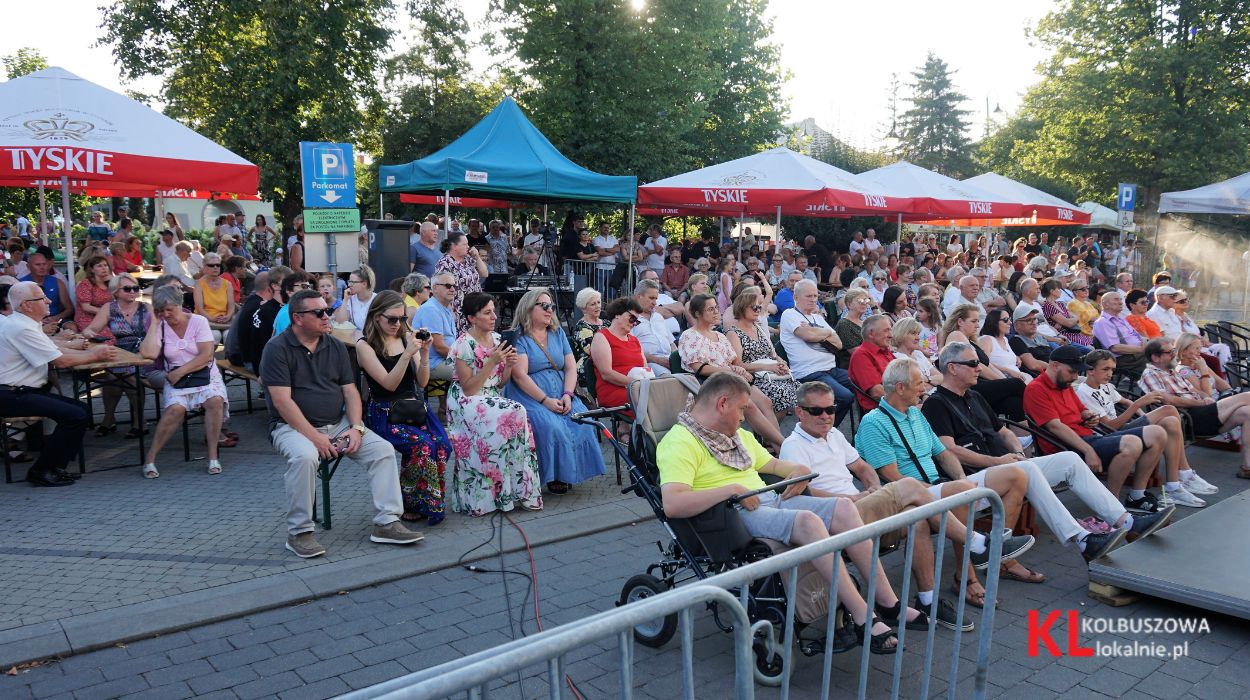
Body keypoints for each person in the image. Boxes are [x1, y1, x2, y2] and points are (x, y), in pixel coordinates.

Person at [658, 372, 923, 654]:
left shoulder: (735, 436)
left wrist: (798, 472)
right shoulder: (680, 442)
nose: (745, 417)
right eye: (743, 409)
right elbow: (673, 504)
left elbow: (774, 464)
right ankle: (861, 615)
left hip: (765, 501)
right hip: (731, 515)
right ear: (723, 403)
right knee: (808, 521)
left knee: (844, 507)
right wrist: (730, 490)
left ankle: (888, 602)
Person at [925, 344, 1169, 563]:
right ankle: (1082, 539)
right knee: (1029, 468)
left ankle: (1126, 521)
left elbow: (1005, 432)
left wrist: (1018, 452)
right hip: (977, 478)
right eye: (973, 363)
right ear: (952, 368)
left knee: (1070, 460)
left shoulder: (974, 396)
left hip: (1008, 466)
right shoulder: (937, 404)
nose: (980, 368)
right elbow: (950, 450)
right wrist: (999, 461)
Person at [779, 381, 974, 630]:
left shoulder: (835, 435)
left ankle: (927, 599)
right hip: (838, 519)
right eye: (817, 411)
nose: (826, 416)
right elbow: (804, 491)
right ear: (799, 412)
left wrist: (871, 487)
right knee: (911, 486)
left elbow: (862, 466)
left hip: (860, 508)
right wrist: (853, 499)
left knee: (916, 517)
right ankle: (975, 541)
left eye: (831, 409)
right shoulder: (793, 446)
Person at [853, 358, 1048, 606]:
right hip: (908, 498)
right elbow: (895, 479)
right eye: (918, 384)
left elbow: (944, 454)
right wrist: (955, 489)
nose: (924, 388)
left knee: (1016, 474)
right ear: (900, 388)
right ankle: (968, 578)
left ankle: (997, 556)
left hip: (942, 485)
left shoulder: (915, 413)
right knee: (960, 494)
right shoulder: (873, 423)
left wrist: (960, 479)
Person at [260, 289, 424, 557]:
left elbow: (351, 391)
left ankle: (387, 522)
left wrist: (357, 427)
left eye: (327, 310)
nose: (328, 316)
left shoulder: (334, 345)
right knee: (304, 457)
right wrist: (314, 437)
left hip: (339, 423)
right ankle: (300, 532)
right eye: (319, 313)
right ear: (298, 318)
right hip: (290, 427)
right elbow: (282, 402)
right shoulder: (277, 349)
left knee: (382, 450)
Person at [1023, 345, 1169, 512]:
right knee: (1132, 444)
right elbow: (1055, 427)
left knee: (1157, 433)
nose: (1076, 376)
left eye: (1078, 372)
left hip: (1090, 437)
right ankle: (1111, 508)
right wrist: (1088, 451)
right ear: (1055, 365)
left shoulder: (1065, 384)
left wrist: (1088, 415)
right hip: (1066, 447)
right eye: (1072, 371)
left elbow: (1081, 409)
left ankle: (1136, 496)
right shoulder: (1036, 388)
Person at [0, 282, 116, 486]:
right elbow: (60, 361)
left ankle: (54, 466)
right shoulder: (20, 327)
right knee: (76, 415)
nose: (49, 301)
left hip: (19, 391)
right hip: (11, 394)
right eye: (42, 298)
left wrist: (84, 351)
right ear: (27, 305)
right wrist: (93, 354)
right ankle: (42, 470)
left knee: (80, 410)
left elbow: (54, 350)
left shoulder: (24, 323)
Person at [355, 290, 452, 524]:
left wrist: (425, 354)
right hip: (385, 412)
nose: (397, 324)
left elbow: (422, 382)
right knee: (422, 445)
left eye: (402, 319)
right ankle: (409, 501)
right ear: (376, 316)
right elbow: (389, 384)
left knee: (442, 445)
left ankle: (425, 500)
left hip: (414, 409)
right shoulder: (364, 345)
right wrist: (407, 354)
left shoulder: (404, 337)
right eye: (392, 319)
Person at [1077, 349, 1216, 507]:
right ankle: (1184, 472)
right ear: (1090, 370)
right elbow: (1108, 427)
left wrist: (1144, 416)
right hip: (1109, 435)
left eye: (1112, 370)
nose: (1110, 374)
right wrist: (1139, 405)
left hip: (1122, 427)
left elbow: (1126, 402)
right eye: (1105, 369)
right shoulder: (1084, 392)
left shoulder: (1106, 386)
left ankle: (1174, 485)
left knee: (1170, 421)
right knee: (1169, 410)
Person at [446, 292, 543, 515]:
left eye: (494, 312)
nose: (494, 317)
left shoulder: (499, 340)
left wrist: (508, 364)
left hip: (490, 396)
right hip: (465, 400)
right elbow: (469, 388)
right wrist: (491, 361)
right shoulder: (463, 345)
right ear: (472, 317)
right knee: (515, 411)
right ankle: (488, 498)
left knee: (517, 415)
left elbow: (500, 383)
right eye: (487, 313)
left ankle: (517, 491)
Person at [504, 288, 606, 494]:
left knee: (580, 421)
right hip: (530, 394)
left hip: (560, 388)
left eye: (551, 306)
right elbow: (519, 375)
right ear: (529, 308)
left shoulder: (557, 332)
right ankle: (555, 475)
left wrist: (568, 394)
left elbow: (570, 367)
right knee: (551, 426)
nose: (549, 310)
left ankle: (571, 472)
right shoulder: (520, 337)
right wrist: (545, 401)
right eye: (544, 306)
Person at [138, 285, 230, 479]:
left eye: (169, 309)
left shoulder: (198, 321)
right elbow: (148, 353)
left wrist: (180, 372)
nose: (165, 314)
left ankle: (213, 456)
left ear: (180, 305)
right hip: (177, 379)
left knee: (215, 400)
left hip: (203, 374)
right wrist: (154, 323)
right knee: (175, 410)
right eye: (160, 310)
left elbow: (206, 355)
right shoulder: (161, 324)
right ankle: (150, 458)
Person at [679, 294, 785, 448]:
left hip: (731, 380)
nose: (716, 312)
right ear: (697, 314)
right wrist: (729, 372)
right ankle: (782, 446)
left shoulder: (720, 336)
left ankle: (779, 446)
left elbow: (735, 362)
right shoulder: (690, 336)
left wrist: (739, 370)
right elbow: (699, 368)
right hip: (709, 384)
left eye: (716, 307)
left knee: (765, 402)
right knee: (749, 406)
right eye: (710, 309)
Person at [1140, 337, 1250, 480]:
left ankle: (1247, 467)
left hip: (1205, 411)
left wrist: (1207, 398)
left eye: (1173, 351)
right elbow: (1170, 400)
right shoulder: (1151, 374)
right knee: (1248, 396)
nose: (1174, 354)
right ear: (1155, 357)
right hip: (1190, 419)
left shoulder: (1172, 372)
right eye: (1169, 352)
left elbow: (1199, 392)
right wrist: (1204, 400)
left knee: (1247, 412)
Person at [82, 273, 156, 438]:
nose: (132, 292)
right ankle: (109, 418)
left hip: (144, 352)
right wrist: (89, 333)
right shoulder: (110, 308)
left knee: (130, 375)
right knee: (110, 376)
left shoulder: (146, 307)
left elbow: (157, 333)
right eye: (128, 289)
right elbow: (91, 329)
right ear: (115, 292)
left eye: (135, 288)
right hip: (121, 351)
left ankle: (139, 420)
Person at [779, 280, 855, 425]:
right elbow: (808, 336)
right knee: (845, 397)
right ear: (796, 297)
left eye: (815, 295)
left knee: (863, 383)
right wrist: (826, 332)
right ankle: (820, 432)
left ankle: (865, 430)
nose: (813, 299)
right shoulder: (790, 315)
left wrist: (817, 330)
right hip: (809, 372)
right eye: (808, 296)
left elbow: (838, 343)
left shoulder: (817, 318)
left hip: (831, 370)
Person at [725, 286, 798, 421]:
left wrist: (780, 362)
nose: (758, 310)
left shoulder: (758, 328)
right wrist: (768, 367)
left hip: (771, 374)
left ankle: (772, 437)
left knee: (801, 391)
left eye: (759, 307)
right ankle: (770, 437)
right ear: (742, 308)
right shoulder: (734, 333)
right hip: (753, 378)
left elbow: (772, 354)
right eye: (755, 307)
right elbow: (738, 365)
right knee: (781, 394)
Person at [434, 232, 487, 334]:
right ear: (454, 246)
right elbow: (441, 289)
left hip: (475, 308)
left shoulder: (468, 259)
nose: (468, 247)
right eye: (464, 244)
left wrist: (477, 257)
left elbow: (484, 273)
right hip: (458, 310)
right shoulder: (445, 264)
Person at [411, 271, 457, 382]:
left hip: (444, 360)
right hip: (432, 363)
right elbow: (440, 347)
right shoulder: (431, 309)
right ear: (435, 288)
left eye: (454, 286)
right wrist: (464, 359)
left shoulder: (444, 307)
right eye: (448, 286)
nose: (452, 289)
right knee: (470, 373)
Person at [1090, 291, 1146, 378]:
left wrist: (1147, 343)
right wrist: (1142, 349)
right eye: (1116, 300)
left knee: (1163, 350)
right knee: (1161, 357)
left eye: (1120, 299)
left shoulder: (1121, 319)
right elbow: (1115, 348)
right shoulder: (1103, 322)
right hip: (1126, 360)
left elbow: (1136, 336)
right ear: (1105, 305)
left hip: (1137, 355)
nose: (1120, 302)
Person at [848, 314, 897, 412]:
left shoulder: (885, 351)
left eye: (890, 330)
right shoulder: (861, 356)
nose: (891, 335)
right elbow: (877, 392)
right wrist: (908, 402)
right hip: (886, 410)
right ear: (871, 334)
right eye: (886, 330)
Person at [630, 279, 676, 377]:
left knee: (691, 378)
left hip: (669, 360)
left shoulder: (658, 316)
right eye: (651, 298)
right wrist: (657, 360)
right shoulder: (629, 319)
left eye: (656, 298)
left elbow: (671, 343)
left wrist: (676, 358)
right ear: (639, 297)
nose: (655, 302)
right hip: (649, 363)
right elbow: (632, 351)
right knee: (670, 380)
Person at [20, 247, 72, 327]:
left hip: (54, 319)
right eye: (38, 264)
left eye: (44, 264)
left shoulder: (58, 282)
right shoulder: (20, 284)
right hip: (30, 321)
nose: (42, 267)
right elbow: (16, 310)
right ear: (28, 266)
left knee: (71, 327)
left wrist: (55, 318)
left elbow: (69, 309)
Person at [978, 308, 1032, 383]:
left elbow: (1002, 356)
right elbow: (983, 364)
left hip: (1018, 378)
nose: (1010, 322)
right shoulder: (987, 339)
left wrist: (1016, 358)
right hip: (1003, 382)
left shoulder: (1005, 339)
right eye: (1006, 319)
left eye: (1010, 319)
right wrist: (1008, 371)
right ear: (994, 322)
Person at [194, 253, 237, 342]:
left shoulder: (227, 284)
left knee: (228, 335)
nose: (215, 267)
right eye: (211, 265)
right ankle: (209, 356)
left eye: (218, 265)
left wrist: (228, 316)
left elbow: (231, 305)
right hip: (206, 320)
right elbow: (199, 309)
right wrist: (212, 319)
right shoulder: (199, 284)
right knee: (215, 335)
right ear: (204, 267)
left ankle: (228, 356)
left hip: (225, 320)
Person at [891, 317, 942, 392]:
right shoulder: (898, 358)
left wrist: (927, 379)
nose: (918, 338)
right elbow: (916, 388)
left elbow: (941, 378)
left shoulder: (918, 354)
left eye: (918, 334)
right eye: (913, 333)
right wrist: (932, 381)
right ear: (901, 335)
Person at [572, 288, 605, 386]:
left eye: (598, 302)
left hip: (608, 360)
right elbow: (591, 350)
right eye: (593, 304)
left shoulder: (606, 323)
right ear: (583, 308)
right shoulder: (581, 327)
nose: (597, 306)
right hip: (589, 365)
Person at [1008, 305, 1052, 375]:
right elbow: (1033, 365)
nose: (1034, 323)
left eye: (1034, 319)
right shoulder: (1016, 340)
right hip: (1045, 378)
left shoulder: (1040, 337)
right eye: (1028, 320)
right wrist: (1057, 370)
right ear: (1016, 325)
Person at [75, 255, 114, 333]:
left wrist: (114, 281)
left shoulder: (110, 283)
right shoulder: (86, 284)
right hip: (88, 318)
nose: (104, 268)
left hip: (108, 317)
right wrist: (106, 313)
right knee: (107, 336)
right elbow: (86, 307)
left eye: (105, 265)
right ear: (92, 270)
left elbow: (121, 298)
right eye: (99, 266)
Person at [333, 265, 377, 332]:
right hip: (358, 339)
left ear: (364, 284)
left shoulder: (377, 299)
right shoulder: (350, 299)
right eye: (349, 281)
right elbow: (341, 322)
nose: (349, 285)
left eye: (353, 282)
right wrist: (345, 300)